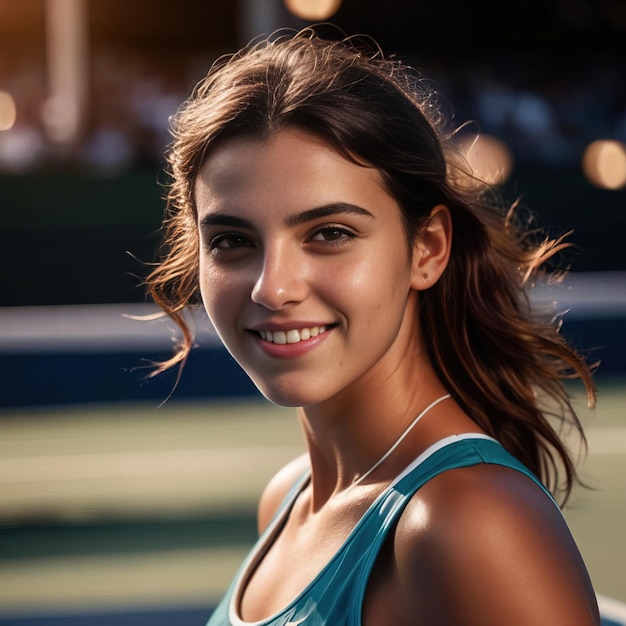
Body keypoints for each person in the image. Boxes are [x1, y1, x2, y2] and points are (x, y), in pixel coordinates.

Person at [145, 27, 600, 626]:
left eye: (330, 233)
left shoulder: (467, 520)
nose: (273, 287)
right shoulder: (287, 499)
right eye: (232, 241)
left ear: (427, 249)